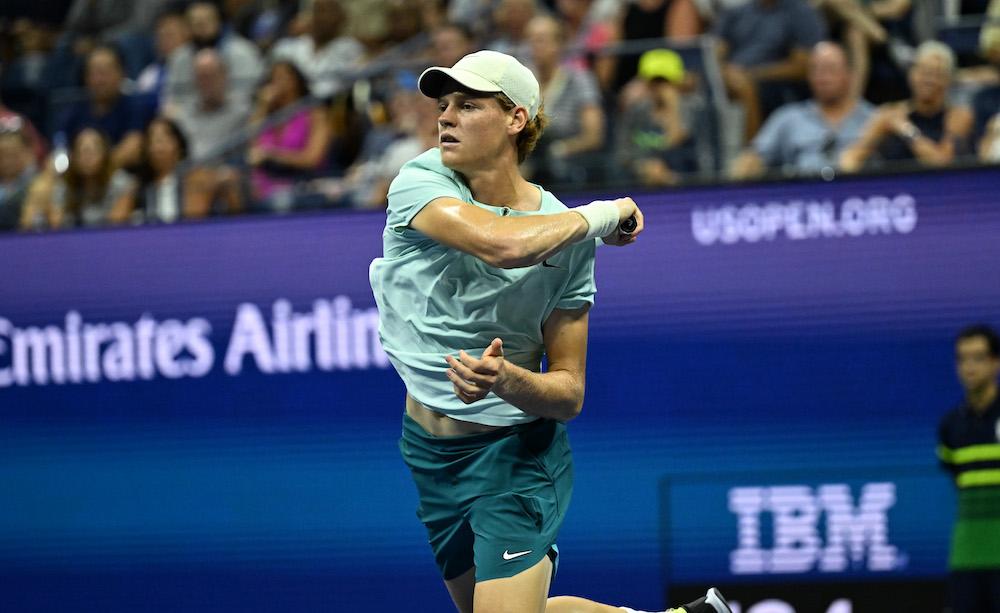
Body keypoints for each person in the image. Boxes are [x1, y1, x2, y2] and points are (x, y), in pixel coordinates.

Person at [368, 49, 730, 613]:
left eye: (468, 105)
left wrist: (506, 379)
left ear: (516, 120)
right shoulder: (420, 180)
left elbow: (568, 393)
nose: (446, 117)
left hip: (515, 456)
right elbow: (502, 243)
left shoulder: (569, 241)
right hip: (429, 451)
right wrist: (604, 216)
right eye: (444, 105)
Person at [730, 42, 873, 179]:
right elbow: (754, 156)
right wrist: (746, 169)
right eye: (816, 70)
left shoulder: (874, 119)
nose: (823, 77)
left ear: (849, 74)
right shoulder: (788, 118)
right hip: (803, 197)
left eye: (830, 69)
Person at [937, 324, 1000, 613]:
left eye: (978, 357)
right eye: (963, 359)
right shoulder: (951, 426)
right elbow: (956, 477)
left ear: (995, 362)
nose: (969, 367)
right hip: (968, 556)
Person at [839, 41, 974, 172]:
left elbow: (942, 162)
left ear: (948, 80)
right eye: (923, 72)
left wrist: (906, 130)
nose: (928, 80)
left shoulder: (958, 116)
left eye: (936, 74)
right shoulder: (889, 114)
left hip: (940, 190)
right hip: (896, 189)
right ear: (911, 75)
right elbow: (850, 157)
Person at [714, 0, 827, 142]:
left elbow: (802, 66)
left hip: (775, 84)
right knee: (691, 80)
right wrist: (722, 70)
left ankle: (752, 153)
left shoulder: (801, 13)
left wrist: (751, 74)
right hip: (729, 75)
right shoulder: (736, 12)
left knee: (743, 87)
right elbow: (716, 51)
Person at [523, 14, 606, 185]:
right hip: (529, 163)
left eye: (541, 40)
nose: (535, 47)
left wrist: (561, 149)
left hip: (569, 167)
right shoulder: (523, 81)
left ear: (558, 44)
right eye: (531, 40)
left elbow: (594, 135)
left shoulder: (580, 80)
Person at [247, 60, 331, 208]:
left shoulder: (314, 114)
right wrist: (262, 106)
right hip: (263, 185)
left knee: (281, 201)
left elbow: (313, 159)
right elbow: (251, 152)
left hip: (300, 183)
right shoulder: (266, 115)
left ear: (297, 81)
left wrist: (273, 155)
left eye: (283, 77)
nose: (277, 84)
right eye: (273, 79)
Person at [19, 127, 134, 230]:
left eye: (93, 151)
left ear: (105, 154)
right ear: (73, 156)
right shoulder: (63, 187)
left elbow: (115, 224)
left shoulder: (121, 183)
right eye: (82, 151)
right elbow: (56, 225)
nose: (87, 157)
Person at [55, 44, 148, 169]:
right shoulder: (74, 113)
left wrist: (98, 170)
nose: (99, 80)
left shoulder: (134, 107)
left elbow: (133, 147)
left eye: (105, 72)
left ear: (122, 73)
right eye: (94, 73)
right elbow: (60, 152)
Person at [615, 49, 697, 186]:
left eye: (665, 81)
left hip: (685, 184)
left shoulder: (693, 109)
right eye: (654, 81)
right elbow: (622, 154)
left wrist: (673, 106)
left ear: (677, 82)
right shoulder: (636, 112)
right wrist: (643, 167)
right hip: (639, 183)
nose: (659, 88)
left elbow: (677, 141)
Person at [163, 0, 262, 112]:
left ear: (218, 22)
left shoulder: (242, 52)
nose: (201, 29)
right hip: (191, 120)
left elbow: (251, 97)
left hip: (235, 119)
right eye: (196, 24)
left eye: (206, 22)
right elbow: (169, 100)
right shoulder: (179, 58)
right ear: (187, 28)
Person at [269, 0, 364, 100]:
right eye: (318, 11)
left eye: (329, 12)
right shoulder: (289, 48)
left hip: (332, 107)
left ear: (341, 18)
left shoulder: (351, 48)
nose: (323, 18)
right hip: (293, 109)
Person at [169, 48, 251, 161]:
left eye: (210, 76)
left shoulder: (243, 113)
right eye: (201, 77)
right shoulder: (182, 116)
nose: (206, 83)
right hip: (188, 173)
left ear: (224, 76)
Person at [0, 125, 38, 230]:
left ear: (26, 153)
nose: (7, 161)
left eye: (13, 154)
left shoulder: (37, 185)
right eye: (2, 154)